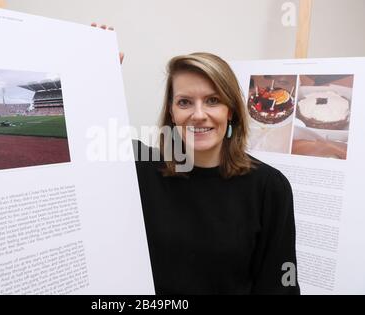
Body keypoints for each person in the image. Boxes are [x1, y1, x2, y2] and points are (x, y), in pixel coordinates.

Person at [94, 25, 300, 295]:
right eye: (184, 102)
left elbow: (280, 286)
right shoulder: (140, 169)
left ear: (231, 111)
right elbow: (84, 142)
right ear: (171, 112)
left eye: (213, 100)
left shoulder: (269, 187)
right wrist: (93, 70)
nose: (198, 114)